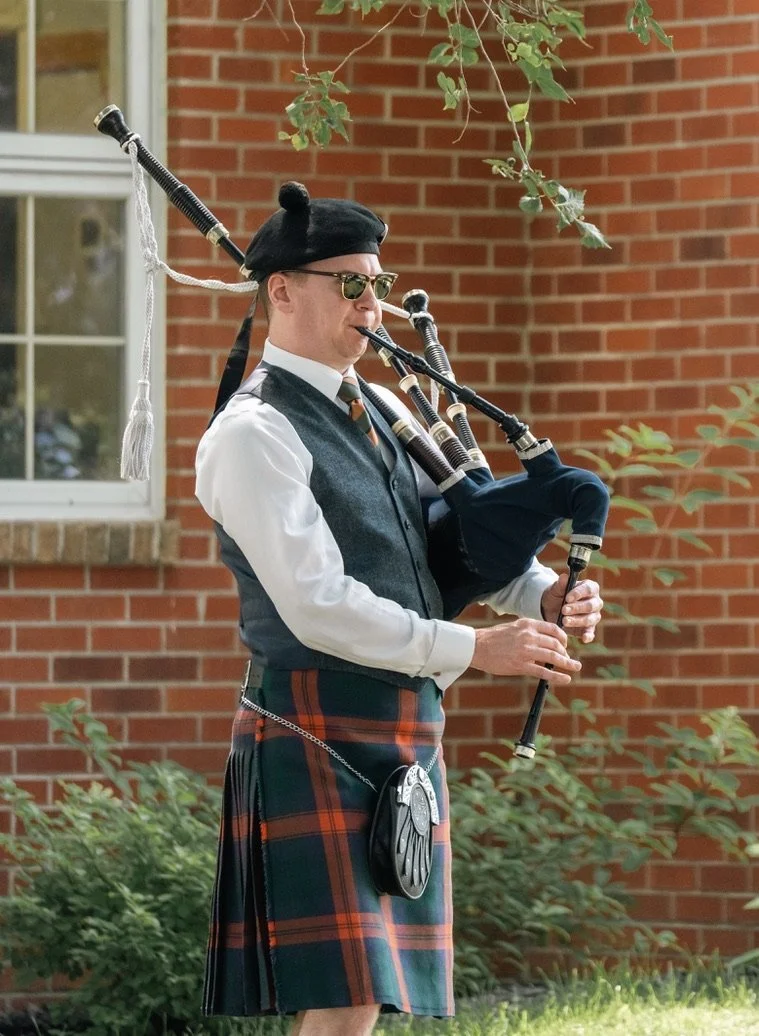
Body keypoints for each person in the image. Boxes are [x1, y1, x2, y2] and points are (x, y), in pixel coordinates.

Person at [195, 182, 603, 1036]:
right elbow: (316, 605)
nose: (372, 303)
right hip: (315, 722)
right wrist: (470, 650)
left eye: (376, 282)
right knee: (345, 993)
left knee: (366, 997)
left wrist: (542, 593)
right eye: (351, 284)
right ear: (282, 290)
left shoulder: (380, 405)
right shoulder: (252, 434)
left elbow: (448, 548)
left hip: (402, 724)